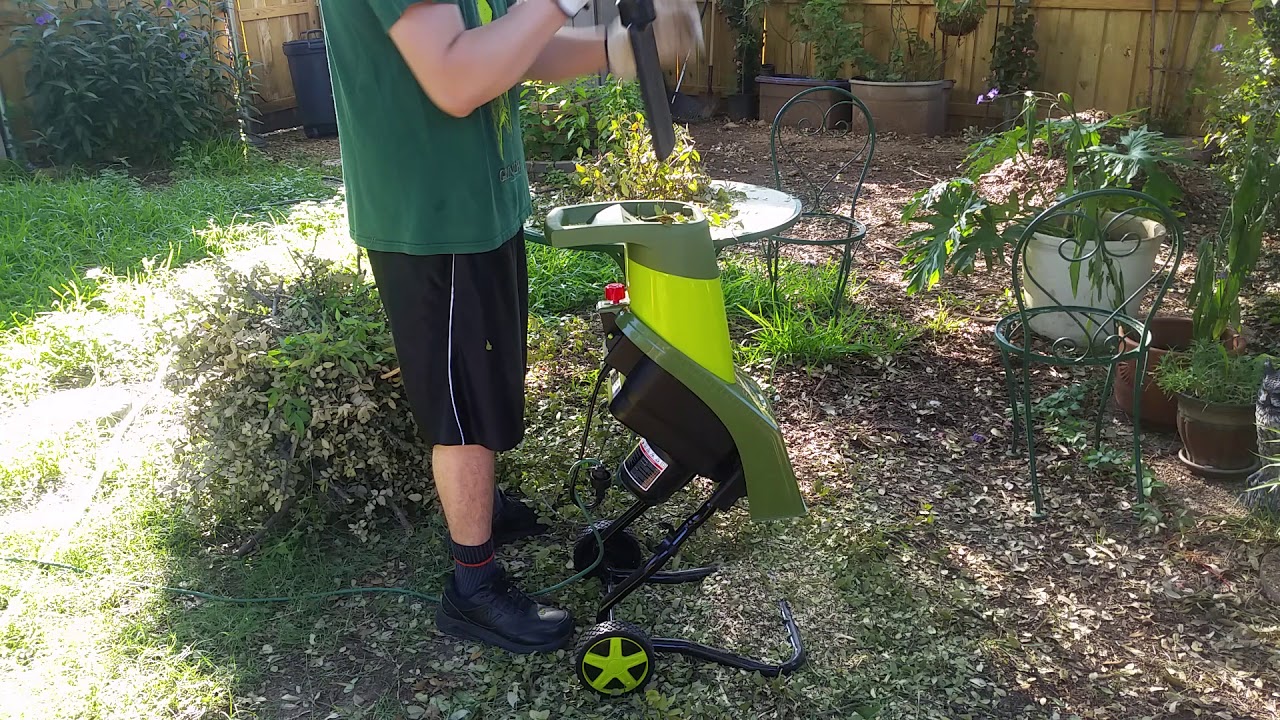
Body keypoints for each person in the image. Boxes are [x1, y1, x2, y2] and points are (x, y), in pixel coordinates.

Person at [319, 0, 703, 654]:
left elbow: (506, 47)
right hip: (432, 215)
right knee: (463, 408)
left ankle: (483, 507)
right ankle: (472, 586)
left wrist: (617, 46)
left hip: (477, 200)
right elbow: (457, 79)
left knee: (485, 374)